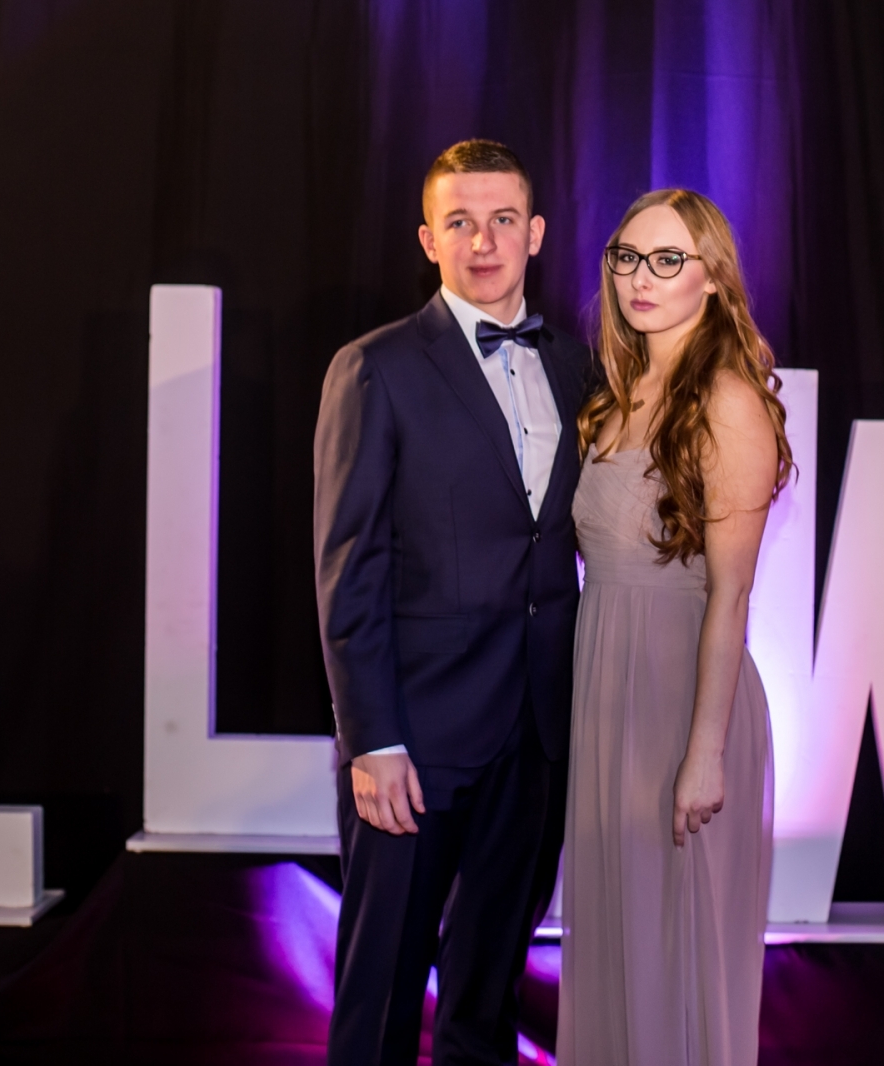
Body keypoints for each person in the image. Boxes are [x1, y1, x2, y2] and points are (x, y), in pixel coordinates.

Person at [313, 140, 594, 1065]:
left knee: (488, 990)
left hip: (538, 735)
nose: (484, 242)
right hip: (415, 739)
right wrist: (371, 740)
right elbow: (348, 566)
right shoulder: (376, 368)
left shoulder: (578, 369)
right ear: (429, 240)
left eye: (503, 219)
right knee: (382, 991)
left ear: (535, 233)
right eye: (460, 222)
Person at [557, 189, 790, 1066]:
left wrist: (705, 753)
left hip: (684, 702)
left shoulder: (729, 401)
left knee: (676, 958)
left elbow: (731, 596)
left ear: (713, 279)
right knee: (621, 948)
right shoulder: (614, 397)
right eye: (626, 257)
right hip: (608, 698)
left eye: (667, 261)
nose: (640, 279)